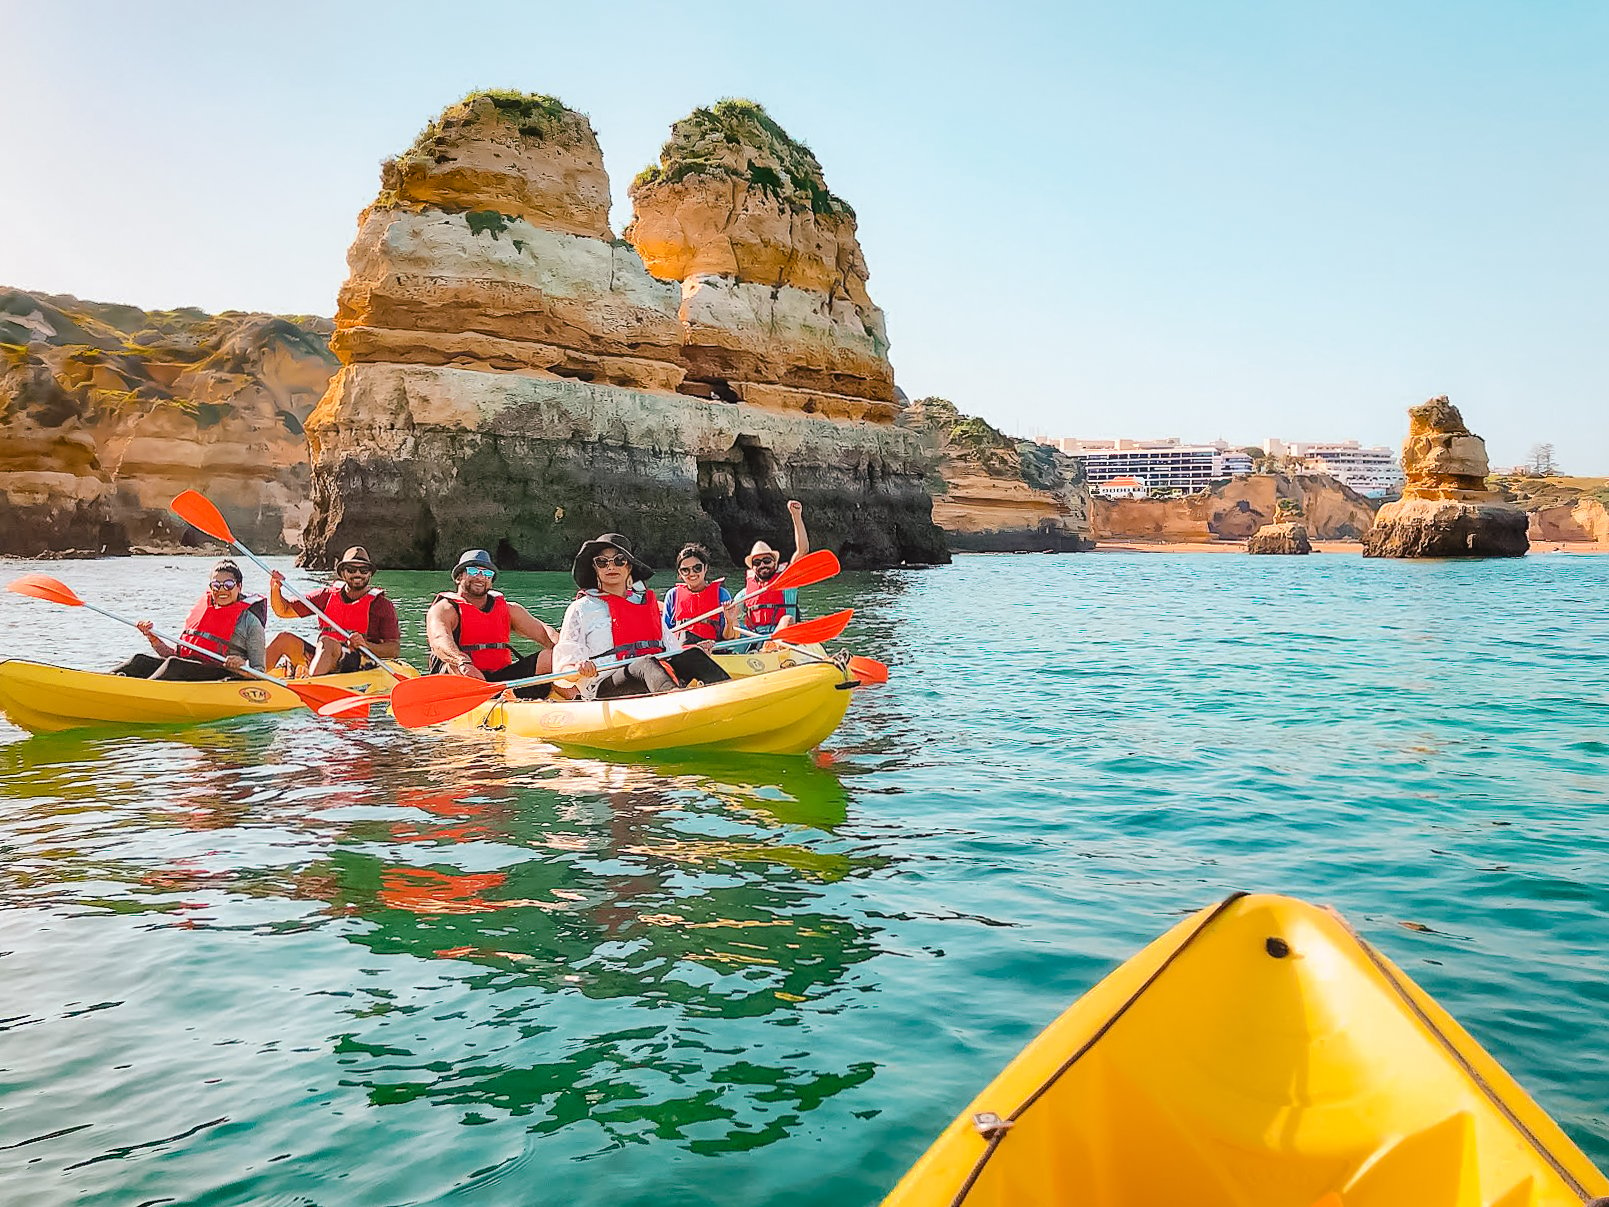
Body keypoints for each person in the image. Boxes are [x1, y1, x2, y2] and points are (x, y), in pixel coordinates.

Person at [552, 533, 731, 700]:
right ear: (595, 568)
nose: (611, 566)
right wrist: (578, 668)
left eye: (619, 560)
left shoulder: (644, 604)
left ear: (629, 566)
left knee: (692, 655)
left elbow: (673, 651)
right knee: (645, 663)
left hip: (654, 674)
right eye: (602, 562)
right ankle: (676, 701)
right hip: (605, 685)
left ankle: (731, 693)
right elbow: (563, 667)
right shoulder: (580, 609)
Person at [425, 548, 559, 699]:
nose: (481, 577)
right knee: (454, 665)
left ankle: (577, 700)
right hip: (462, 678)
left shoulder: (510, 609)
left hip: (499, 681)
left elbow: (545, 632)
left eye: (488, 574)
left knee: (552, 657)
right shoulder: (444, 609)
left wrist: (568, 651)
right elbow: (439, 641)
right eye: (474, 571)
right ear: (459, 577)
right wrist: (463, 662)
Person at [112, 559, 267, 681]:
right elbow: (174, 655)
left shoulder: (251, 623)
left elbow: (260, 672)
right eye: (216, 585)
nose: (221, 590)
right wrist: (154, 640)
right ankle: (107, 682)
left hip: (223, 675)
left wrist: (239, 667)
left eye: (228, 585)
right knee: (139, 661)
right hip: (188, 669)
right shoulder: (202, 613)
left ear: (239, 587)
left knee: (174, 666)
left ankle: (139, 693)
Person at [265, 546, 401, 678]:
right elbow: (284, 610)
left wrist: (366, 645)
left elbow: (393, 649)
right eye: (351, 569)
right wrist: (275, 589)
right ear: (342, 573)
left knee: (327, 643)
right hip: (325, 656)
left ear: (370, 574)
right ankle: (250, 675)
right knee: (284, 639)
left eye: (364, 570)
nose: (358, 574)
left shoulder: (382, 606)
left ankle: (311, 684)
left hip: (361, 660)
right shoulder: (326, 596)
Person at [740, 499, 809, 647]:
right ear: (752, 568)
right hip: (753, 637)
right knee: (732, 622)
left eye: (766, 560)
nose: (762, 565)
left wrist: (796, 516)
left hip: (781, 636)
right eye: (757, 563)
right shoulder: (745, 593)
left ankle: (772, 647)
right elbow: (730, 617)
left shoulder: (787, 583)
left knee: (787, 619)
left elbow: (802, 551)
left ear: (775, 563)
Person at [661, 542, 739, 651]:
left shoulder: (722, 594)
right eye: (685, 570)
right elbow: (666, 634)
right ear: (679, 573)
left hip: (714, 651)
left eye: (697, 568)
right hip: (683, 652)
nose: (692, 573)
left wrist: (729, 621)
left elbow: (728, 637)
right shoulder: (672, 595)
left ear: (705, 567)